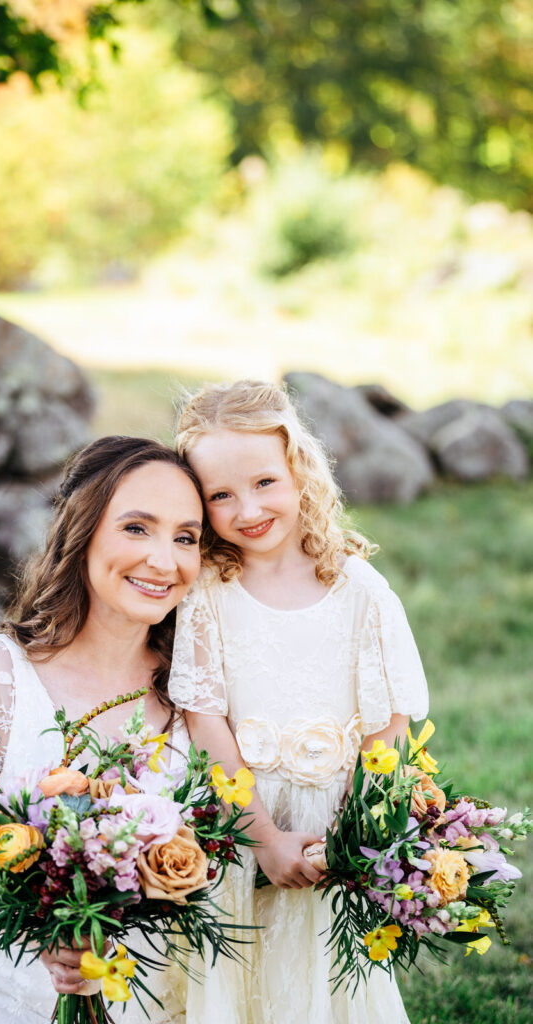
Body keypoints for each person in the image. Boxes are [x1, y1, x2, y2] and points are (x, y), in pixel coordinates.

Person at [0, 436, 204, 1024]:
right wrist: (47, 928)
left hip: (151, 999)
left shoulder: (196, 698)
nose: (164, 560)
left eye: (186, 537)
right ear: (81, 531)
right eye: (136, 528)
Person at [169, 381, 429, 1024]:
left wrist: (357, 833)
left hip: (332, 824)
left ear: (300, 472)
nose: (246, 508)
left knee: (323, 988)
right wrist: (262, 837)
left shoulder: (358, 587)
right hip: (243, 821)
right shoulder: (207, 593)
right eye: (220, 496)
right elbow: (204, 720)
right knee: (240, 982)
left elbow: (388, 723)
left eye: (263, 483)